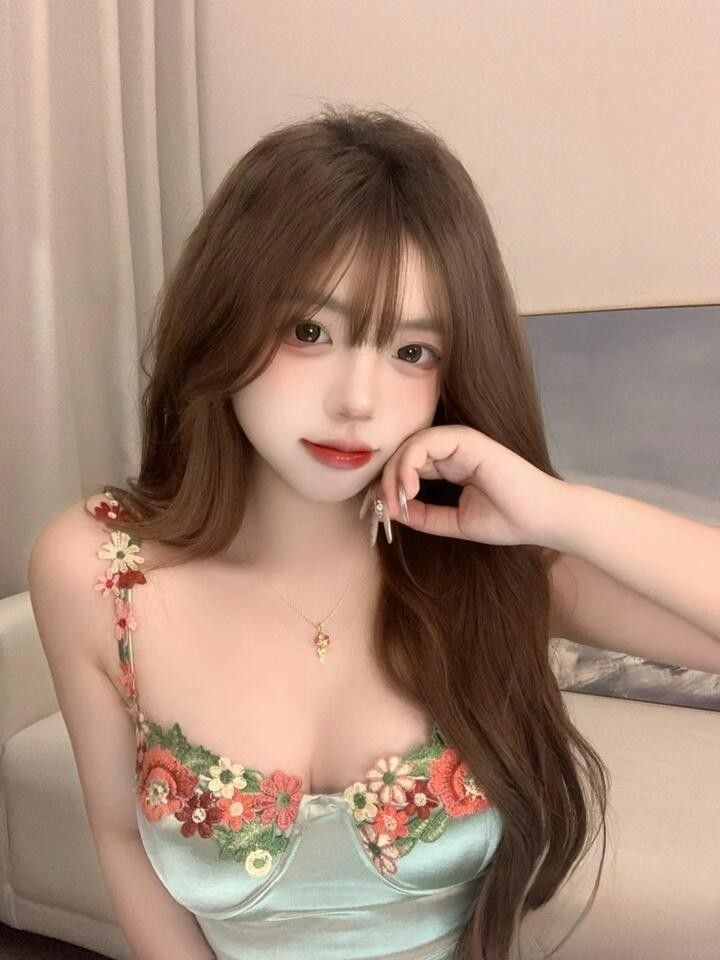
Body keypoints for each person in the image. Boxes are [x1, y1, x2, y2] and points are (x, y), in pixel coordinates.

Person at [28, 105, 611, 960]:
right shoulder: (95, 570)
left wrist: (561, 510)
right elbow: (121, 838)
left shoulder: (488, 563)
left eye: (412, 352)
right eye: (310, 331)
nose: (356, 401)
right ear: (223, 317)